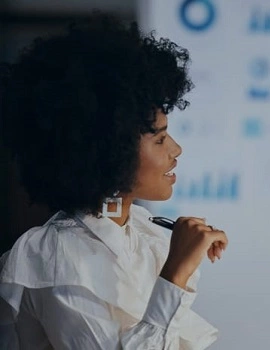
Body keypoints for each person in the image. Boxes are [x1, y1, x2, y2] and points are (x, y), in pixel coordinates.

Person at [0, 15, 228, 349]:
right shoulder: (54, 256)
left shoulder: (144, 233)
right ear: (109, 150)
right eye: (160, 140)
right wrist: (176, 274)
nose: (176, 150)